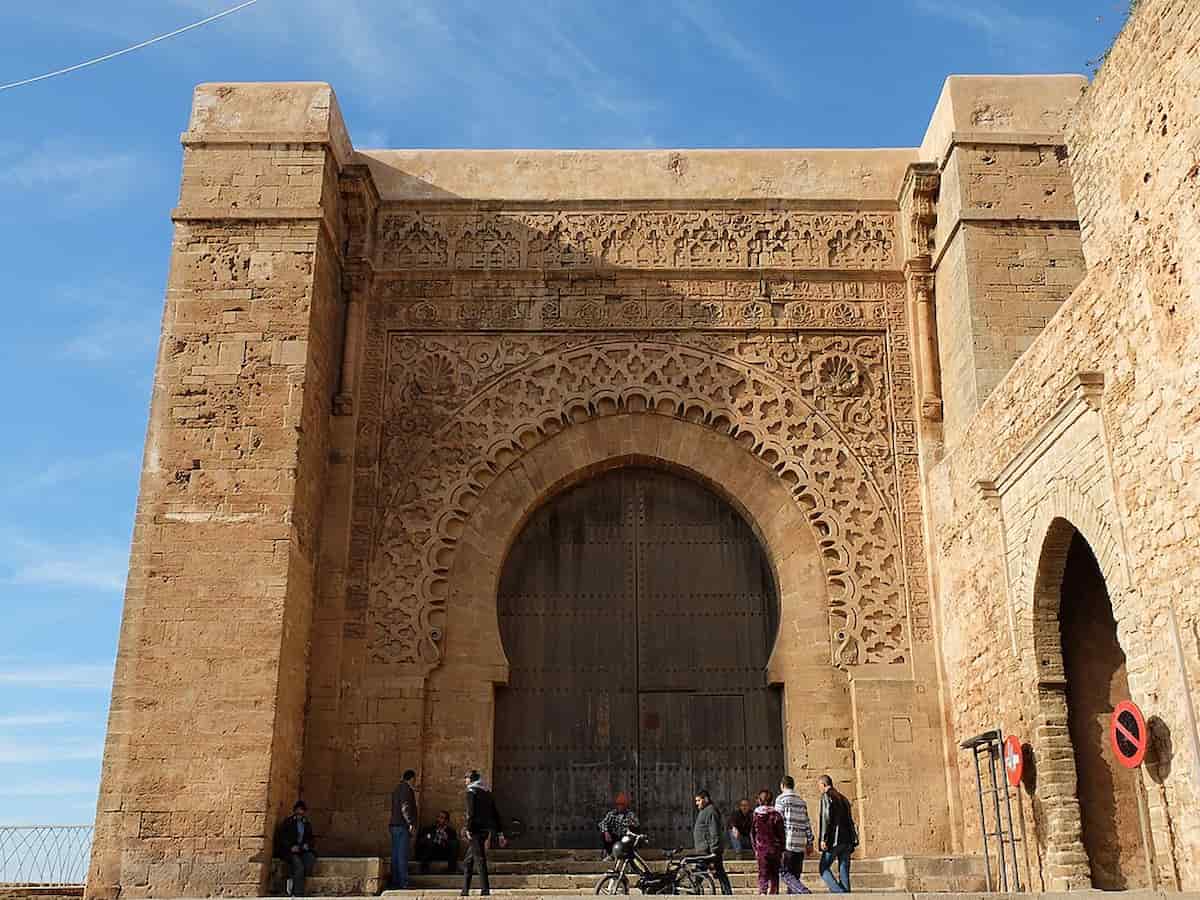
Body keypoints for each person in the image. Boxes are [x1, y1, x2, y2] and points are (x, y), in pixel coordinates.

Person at [462, 770, 506, 896]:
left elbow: (470, 813)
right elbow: (495, 814)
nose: (465, 780)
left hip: (475, 831)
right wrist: (500, 833)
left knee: (479, 859)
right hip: (485, 830)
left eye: (466, 778)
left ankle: (485, 890)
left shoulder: (471, 792)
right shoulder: (487, 792)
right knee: (468, 860)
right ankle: (465, 890)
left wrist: (468, 829)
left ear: (471, 779)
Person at [817, 775, 858, 894]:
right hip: (847, 839)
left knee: (823, 867)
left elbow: (826, 818)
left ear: (823, 784)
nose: (819, 789)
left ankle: (839, 893)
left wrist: (823, 839)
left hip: (834, 839)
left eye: (819, 786)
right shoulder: (843, 798)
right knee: (843, 869)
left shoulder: (826, 796)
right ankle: (846, 895)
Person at [775, 776, 813, 894]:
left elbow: (777, 822)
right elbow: (807, 822)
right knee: (794, 877)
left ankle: (803, 891)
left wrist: (776, 841)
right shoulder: (801, 801)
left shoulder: (781, 799)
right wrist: (810, 841)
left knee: (784, 873)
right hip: (800, 843)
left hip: (787, 843)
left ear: (782, 786)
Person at [692, 790, 732, 895]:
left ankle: (727, 894)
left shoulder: (711, 811)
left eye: (698, 800)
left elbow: (714, 832)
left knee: (712, 872)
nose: (697, 803)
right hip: (705, 849)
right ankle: (727, 893)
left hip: (708, 850)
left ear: (706, 799)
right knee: (704, 871)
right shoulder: (705, 811)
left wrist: (714, 850)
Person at [276, 801, 316, 897]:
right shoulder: (288, 822)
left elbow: (311, 839)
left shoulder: (306, 824)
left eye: (301, 811)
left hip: (302, 851)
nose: (300, 813)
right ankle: (298, 894)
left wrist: (307, 845)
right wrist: (291, 847)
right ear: (294, 811)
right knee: (299, 866)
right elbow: (282, 838)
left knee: (310, 859)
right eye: (298, 811)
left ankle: (294, 883)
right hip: (289, 851)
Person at [750, 789, 786, 894]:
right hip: (775, 848)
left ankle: (763, 891)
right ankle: (774, 892)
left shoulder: (756, 815)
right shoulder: (776, 815)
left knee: (763, 872)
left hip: (762, 849)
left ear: (759, 801)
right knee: (774, 873)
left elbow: (752, 833)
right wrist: (782, 848)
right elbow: (781, 833)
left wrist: (755, 848)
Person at [389, 769, 418, 890]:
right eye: (414, 780)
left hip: (394, 825)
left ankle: (395, 881)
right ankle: (403, 883)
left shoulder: (397, 789)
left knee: (396, 855)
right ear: (411, 778)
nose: (415, 782)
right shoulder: (406, 789)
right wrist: (410, 822)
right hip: (402, 826)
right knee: (402, 855)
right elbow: (405, 807)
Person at [598, 791, 639, 858]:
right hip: (614, 836)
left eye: (622, 805)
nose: (620, 807)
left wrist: (631, 824)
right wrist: (606, 832)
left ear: (626, 806)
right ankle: (609, 854)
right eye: (619, 805)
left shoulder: (630, 815)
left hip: (625, 837)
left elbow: (637, 825)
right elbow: (602, 823)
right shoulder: (611, 814)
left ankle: (627, 855)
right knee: (604, 835)